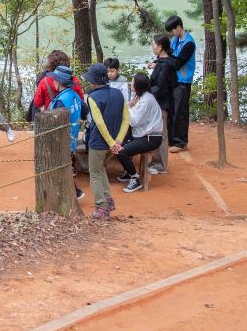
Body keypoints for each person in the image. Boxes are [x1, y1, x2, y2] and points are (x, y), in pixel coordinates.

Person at [82, 63, 129, 220]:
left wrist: (111, 142)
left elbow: (99, 123)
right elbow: (126, 119)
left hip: (99, 143)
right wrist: (118, 141)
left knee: (94, 173)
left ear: (93, 82)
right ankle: (108, 201)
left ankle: (101, 207)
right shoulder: (118, 93)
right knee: (101, 170)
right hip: (114, 142)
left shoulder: (92, 97)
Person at [113, 73, 165, 195]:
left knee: (121, 151)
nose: (131, 83)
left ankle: (134, 178)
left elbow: (134, 121)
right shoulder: (141, 96)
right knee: (118, 142)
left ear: (138, 85)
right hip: (142, 134)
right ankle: (128, 171)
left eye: (133, 82)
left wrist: (129, 107)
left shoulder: (146, 100)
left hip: (151, 138)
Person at [48, 66, 87, 201]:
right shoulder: (74, 95)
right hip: (73, 137)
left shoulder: (61, 101)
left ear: (59, 82)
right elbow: (84, 112)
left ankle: (75, 193)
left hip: (61, 140)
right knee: (64, 165)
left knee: (60, 166)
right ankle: (73, 192)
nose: (52, 82)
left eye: (54, 80)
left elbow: (55, 123)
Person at [148, 34, 179, 175]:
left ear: (160, 47)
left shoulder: (166, 65)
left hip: (162, 103)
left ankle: (161, 165)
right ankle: (156, 161)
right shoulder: (162, 62)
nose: (152, 47)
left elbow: (159, 88)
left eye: (153, 45)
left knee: (160, 133)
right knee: (156, 131)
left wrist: (146, 93)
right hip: (158, 102)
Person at [165, 15, 196, 152]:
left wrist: (166, 59)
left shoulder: (189, 43)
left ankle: (181, 142)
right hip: (174, 80)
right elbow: (169, 54)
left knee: (180, 112)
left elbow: (177, 63)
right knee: (171, 110)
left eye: (172, 30)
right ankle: (172, 139)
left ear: (178, 27)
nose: (172, 33)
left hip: (183, 81)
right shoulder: (175, 40)